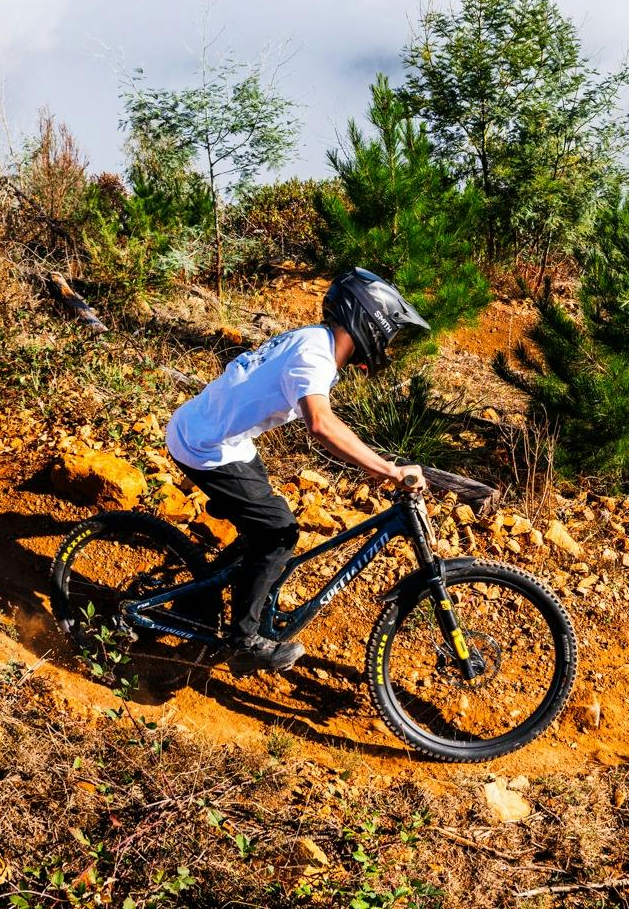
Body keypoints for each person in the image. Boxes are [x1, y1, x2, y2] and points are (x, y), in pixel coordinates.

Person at [165, 268, 431, 674]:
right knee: (279, 533)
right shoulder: (315, 356)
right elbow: (321, 425)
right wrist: (387, 470)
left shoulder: (314, 341)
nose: (388, 345)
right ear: (368, 322)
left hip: (221, 438)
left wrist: (374, 463)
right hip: (205, 446)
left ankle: (195, 601)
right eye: (388, 334)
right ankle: (244, 641)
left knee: (266, 527)